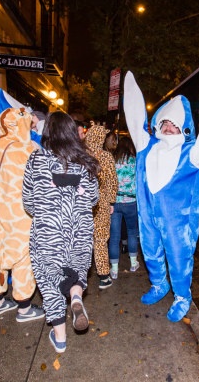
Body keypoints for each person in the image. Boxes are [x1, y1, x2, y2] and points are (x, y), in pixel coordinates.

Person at [123, 71, 199, 322]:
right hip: (148, 216)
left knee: (179, 259)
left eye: (173, 124)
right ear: (157, 124)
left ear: (183, 127)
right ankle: (158, 285)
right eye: (164, 123)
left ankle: (182, 297)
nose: (168, 127)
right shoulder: (146, 145)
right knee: (151, 252)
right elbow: (134, 120)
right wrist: (131, 89)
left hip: (177, 221)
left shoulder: (190, 151)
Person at [22, 111, 100, 353]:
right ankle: (76, 297)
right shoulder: (86, 162)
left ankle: (61, 338)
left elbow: (28, 202)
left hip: (49, 232)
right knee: (76, 271)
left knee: (49, 282)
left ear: (48, 133)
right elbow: (95, 198)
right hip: (79, 231)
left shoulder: (36, 161)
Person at [0, 107, 45, 322]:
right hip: (22, 211)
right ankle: (24, 307)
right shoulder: (27, 149)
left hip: (1, 208)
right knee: (23, 256)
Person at [85, 123, 118, 289]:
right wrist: (111, 201)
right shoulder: (105, 157)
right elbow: (112, 181)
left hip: (81, 204)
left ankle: (79, 275)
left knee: (83, 239)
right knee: (100, 240)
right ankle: (104, 276)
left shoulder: (79, 155)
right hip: (101, 203)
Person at [108, 136, 140, 279]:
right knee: (132, 232)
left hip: (115, 202)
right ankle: (133, 263)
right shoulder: (135, 161)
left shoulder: (112, 161)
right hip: (131, 202)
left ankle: (114, 270)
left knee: (114, 236)